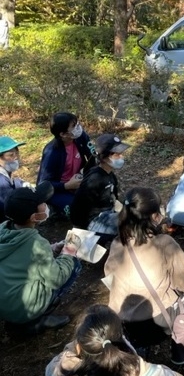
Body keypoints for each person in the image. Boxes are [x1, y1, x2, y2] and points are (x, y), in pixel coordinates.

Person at [104, 187, 184, 350]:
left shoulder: (117, 243)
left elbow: (108, 274)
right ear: (154, 216)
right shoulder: (165, 243)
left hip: (123, 323)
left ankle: (138, 349)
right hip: (158, 323)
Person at [45, 304, 184, 376]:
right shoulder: (140, 373)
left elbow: (50, 371)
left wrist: (73, 348)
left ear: (79, 346)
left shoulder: (60, 370)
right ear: (121, 338)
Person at [0, 181, 82, 335]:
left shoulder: (3, 229)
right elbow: (57, 278)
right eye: (41, 203)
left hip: (4, 304)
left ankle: (17, 320)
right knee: (73, 265)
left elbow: (20, 257)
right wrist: (68, 252)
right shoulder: (36, 243)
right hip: (23, 308)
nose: (45, 204)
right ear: (33, 217)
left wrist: (51, 249)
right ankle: (37, 319)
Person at [70, 133, 130, 238]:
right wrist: (80, 232)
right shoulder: (95, 179)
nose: (121, 157)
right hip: (94, 221)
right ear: (104, 157)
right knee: (131, 226)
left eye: (121, 154)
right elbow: (78, 206)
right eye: (116, 154)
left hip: (107, 214)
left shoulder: (110, 175)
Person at [37, 112, 93, 218]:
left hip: (78, 181)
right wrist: (66, 186)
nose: (78, 128)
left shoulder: (80, 137)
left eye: (77, 124)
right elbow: (43, 184)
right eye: (74, 126)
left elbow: (92, 156)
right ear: (63, 134)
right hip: (58, 189)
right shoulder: (52, 153)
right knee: (78, 210)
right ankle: (53, 209)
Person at [0, 136, 30, 222]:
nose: (16, 157)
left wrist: (21, 183)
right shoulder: (2, 181)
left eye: (17, 153)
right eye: (11, 155)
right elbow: (10, 209)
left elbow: (13, 182)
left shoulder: (5, 173)